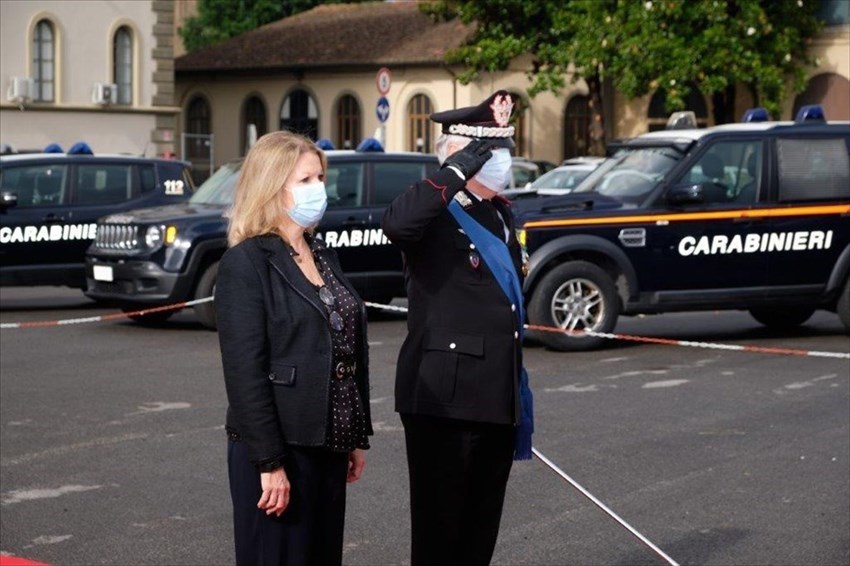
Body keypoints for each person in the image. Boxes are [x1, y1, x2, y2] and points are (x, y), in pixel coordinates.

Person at [382, 90, 533, 565]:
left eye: (504, 150)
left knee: (478, 533)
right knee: (439, 535)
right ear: (458, 155)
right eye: (487, 152)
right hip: (444, 400)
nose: (500, 161)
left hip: (494, 397)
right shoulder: (435, 213)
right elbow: (398, 224)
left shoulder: (499, 213)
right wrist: (456, 171)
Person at [215, 131, 373, 566]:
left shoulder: (320, 253)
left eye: (320, 177)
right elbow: (245, 372)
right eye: (305, 180)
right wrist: (269, 462)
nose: (318, 188)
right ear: (272, 187)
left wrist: (354, 437)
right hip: (280, 449)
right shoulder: (246, 262)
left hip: (328, 442)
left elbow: (345, 347)